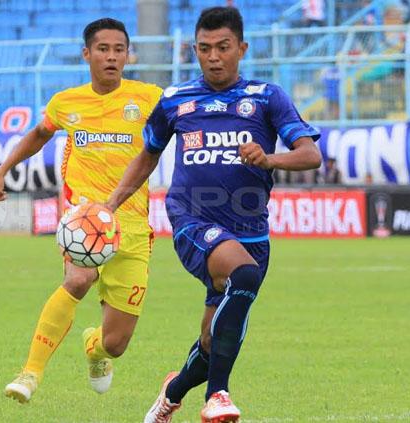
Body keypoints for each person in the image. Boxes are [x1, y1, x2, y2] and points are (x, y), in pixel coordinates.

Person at [106, 7, 321, 422]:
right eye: (204, 49)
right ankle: (219, 395)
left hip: (250, 229)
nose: (214, 57)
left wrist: (269, 158)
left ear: (241, 48)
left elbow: (310, 155)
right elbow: (147, 157)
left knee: (211, 341)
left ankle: (171, 394)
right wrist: (111, 204)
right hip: (192, 219)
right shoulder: (174, 101)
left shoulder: (266, 96)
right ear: (194, 50)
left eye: (223, 48)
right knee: (242, 275)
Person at [0, 18, 162, 405]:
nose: (112, 57)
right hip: (82, 222)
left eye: (119, 50)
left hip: (131, 229)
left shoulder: (150, 98)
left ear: (128, 55)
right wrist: (2, 169)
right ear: (87, 54)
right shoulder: (67, 102)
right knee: (78, 280)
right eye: (103, 49)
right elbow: (38, 135)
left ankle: (94, 348)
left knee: (116, 344)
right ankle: (29, 373)